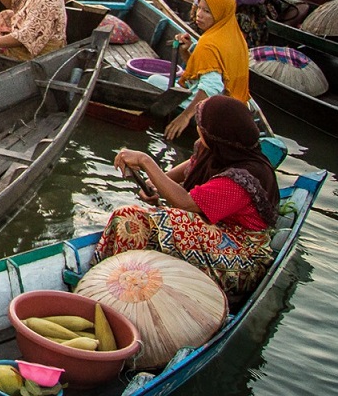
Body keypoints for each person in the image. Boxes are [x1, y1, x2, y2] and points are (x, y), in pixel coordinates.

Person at [95, 95, 279, 295]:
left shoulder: (242, 178)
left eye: (201, 124)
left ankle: (119, 287)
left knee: (132, 221)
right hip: (210, 232)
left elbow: (185, 202)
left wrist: (145, 161)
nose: (198, 127)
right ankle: (111, 278)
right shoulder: (215, 148)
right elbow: (185, 170)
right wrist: (155, 183)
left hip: (241, 254)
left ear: (216, 135)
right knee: (136, 219)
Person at [164, 0, 253, 139]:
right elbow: (212, 71)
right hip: (235, 104)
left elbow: (212, 87)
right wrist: (185, 53)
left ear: (220, 14)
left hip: (215, 109)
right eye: (199, 8)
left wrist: (185, 116)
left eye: (207, 11)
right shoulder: (235, 37)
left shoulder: (208, 44)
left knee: (153, 80)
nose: (199, 14)